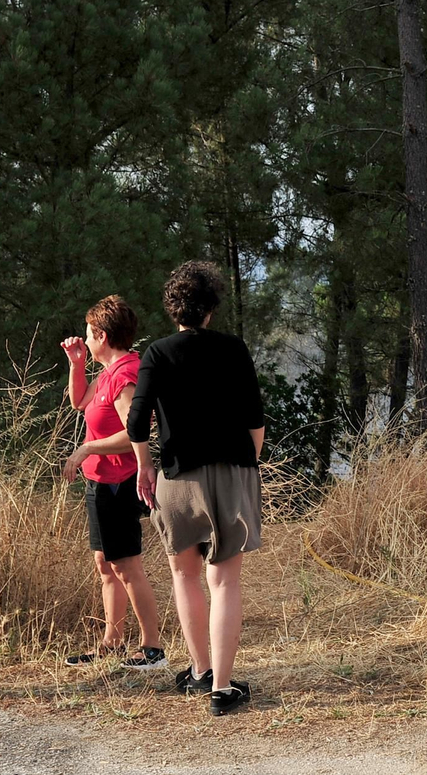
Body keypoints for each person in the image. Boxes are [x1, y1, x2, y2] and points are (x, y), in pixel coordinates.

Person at [128, 262, 264, 717]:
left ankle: (200, 671)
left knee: (185, 575)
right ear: (211, 308)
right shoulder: (234, 348)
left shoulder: (158, 352)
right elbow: (254, 419)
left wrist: (145, 469)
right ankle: (222, 689)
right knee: (224, 580)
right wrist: (249, 465)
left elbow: (136, 421)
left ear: (174, 309)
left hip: (177, 475)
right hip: (231, 468)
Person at [59, 296, 165, 670]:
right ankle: (111, 642)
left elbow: (133, 432)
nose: (86, 340)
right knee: (106, 565)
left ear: (102, 335)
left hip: (120, 481)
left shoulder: (125, 374)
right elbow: (79, 402)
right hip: (98, 482)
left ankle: (152, 648)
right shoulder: (107, 371)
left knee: (127, 565)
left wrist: (86, 448)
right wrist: (77, 365)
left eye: (89, 335)